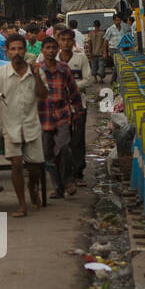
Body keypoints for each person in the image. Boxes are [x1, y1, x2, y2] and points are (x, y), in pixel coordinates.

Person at [0, 33, 48, 218]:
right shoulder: (0, 73)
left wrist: (37, 75)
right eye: (13, 49)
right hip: (11, 126)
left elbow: (43, 95)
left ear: (25, 51)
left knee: (35, 168)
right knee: (16, 164)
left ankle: (33, 189)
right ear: (7, 52)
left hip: (31, 125)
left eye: (20, 48)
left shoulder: (35, 72)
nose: (17, 52)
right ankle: (22, 204)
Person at [33, 36, 81, 199]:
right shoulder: (36, 70)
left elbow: (73, 91)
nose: (51, 51)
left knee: (63, 147)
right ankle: (57, 186)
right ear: (42, 50)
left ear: (57, 49)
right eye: (47, 48)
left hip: (62, 114)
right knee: (48, 154)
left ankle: (68, 181)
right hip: (43, 115)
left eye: (53, 48)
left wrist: (78, 110)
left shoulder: (64, 69)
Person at [57, 28, 94, 189]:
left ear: (73, 42)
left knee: (77, 141)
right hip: (57, 107)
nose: (65, 43)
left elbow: (88, 79)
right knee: (61, 142)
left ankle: (78, 173)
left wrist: (70, 87)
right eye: (62, 40)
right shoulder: (52, 58)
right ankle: (63, 175)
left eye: (68, 40)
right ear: (58, 41)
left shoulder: (81, 58)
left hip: (79, 104)